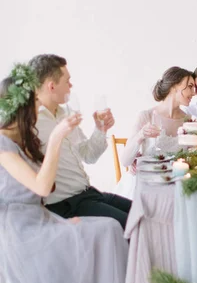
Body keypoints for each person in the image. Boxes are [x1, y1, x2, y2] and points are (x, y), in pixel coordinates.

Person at [0, 64, 128, 283]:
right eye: (33, 102)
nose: (38, 107)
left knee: (110, 229)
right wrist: (56, 138)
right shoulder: (2, 144)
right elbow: (43, 187)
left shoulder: (25, 137)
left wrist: (59, 219)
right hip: (20, 233)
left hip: (43, 219)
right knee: (109, 230)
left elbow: (43, 194)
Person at [29, 54, 131, 230]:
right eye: (67, 81)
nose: (71, 85)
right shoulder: (31, 123)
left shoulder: (64, 114)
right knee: (131, 225)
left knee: (142, 212)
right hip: (65, 204)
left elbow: (89, 155)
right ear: (52, 86)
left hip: (88, 193)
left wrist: (101, 129)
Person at [116, 67, 196, 199]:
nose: (194, 93)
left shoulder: (189, 120)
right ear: (174, 86)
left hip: (176, 185)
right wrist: (141, 135)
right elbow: (125, 161)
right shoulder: (146, 116)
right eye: (190, 86)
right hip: (145, 185)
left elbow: (193, 159)